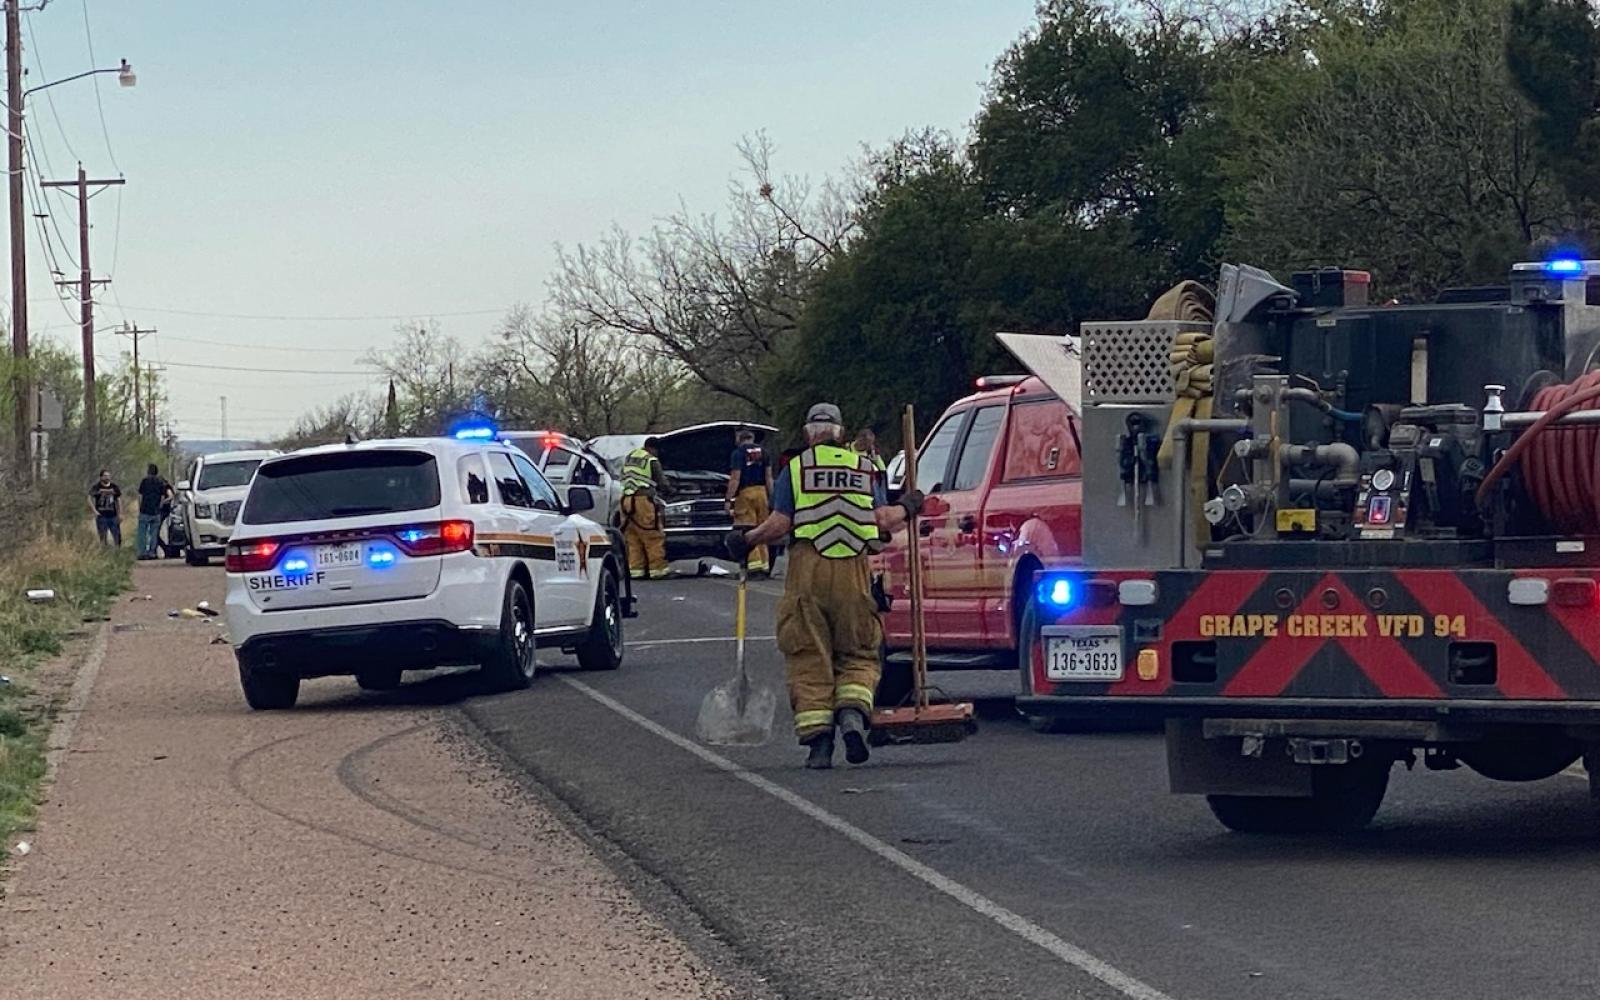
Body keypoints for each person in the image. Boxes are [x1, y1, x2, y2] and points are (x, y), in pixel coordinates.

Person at [726, 402, 924, 770]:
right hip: (853, 572)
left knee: (808, 655)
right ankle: (852, 714)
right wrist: (910, 506)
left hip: (807, 570)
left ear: (808, 434)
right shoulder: (864, 468)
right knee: (859, 651)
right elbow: (882, 520)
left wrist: (747, 539)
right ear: (840, 432)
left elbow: (781, 523)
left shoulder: (796, 469)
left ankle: (819, 745)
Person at [620, 437, 671, 580]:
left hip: (626, 501)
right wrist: (670, 490)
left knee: (632, 537)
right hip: (643, 501)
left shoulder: (630, 456)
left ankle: (636, 570)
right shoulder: (651, 460)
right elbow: (661, 482)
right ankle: (657, 570)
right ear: (654, 448)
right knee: (652, 536)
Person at [724, 429, 772, 575]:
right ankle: (764, 564)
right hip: (762, 493)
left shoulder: (738, 453)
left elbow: (735, 478)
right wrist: (772, 498)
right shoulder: (764, 452)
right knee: (763, 528)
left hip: (746, 494)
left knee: (747, 529)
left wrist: (728, 499)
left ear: (739, 438)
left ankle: (753, 565)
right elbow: (769, 477)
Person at [135, 463, 173, 560]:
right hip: (155, 512)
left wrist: (140, 507)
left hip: (144, 510)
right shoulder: (160, 482)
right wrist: (159, 505)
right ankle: (152, 552)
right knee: (154, 534)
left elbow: (140, 495)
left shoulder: (144, 481)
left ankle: (142, 552)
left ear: (148, 471)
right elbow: (163, 496)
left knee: (142, 533)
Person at [89, 469, 123, 547]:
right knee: (103, 537)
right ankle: (104, 553)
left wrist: (120, 513)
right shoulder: (97, 487)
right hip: (101, 516)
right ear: (101, 477)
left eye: (108, 475)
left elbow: (118, 500)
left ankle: (118, 553)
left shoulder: (114, 487)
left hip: (113, 516)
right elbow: (89, 498)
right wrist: (94, 511)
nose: (107, 477)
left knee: (117, 537)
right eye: (105, 476)